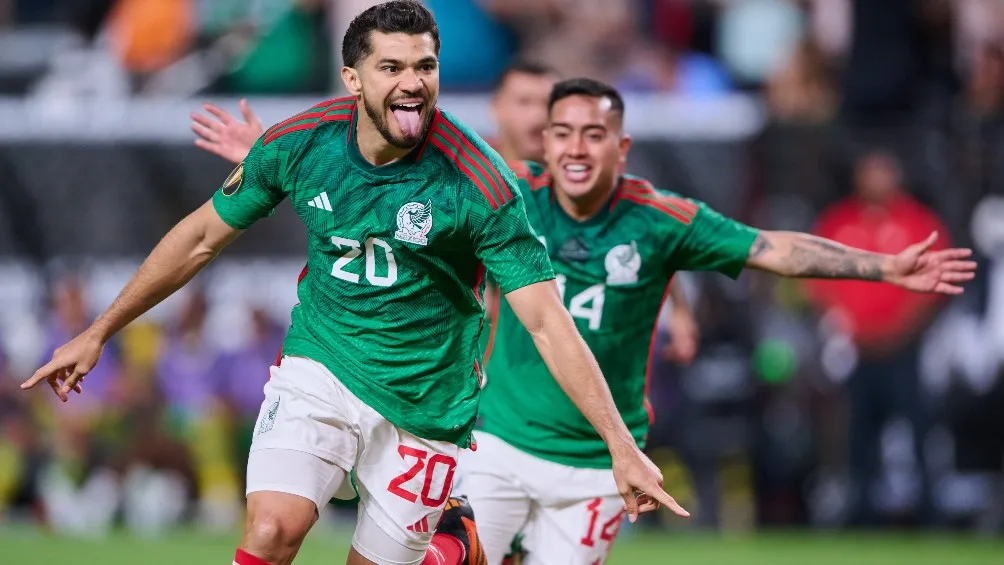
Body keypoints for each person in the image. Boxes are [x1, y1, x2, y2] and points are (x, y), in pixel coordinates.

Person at [22, 3, 684, 565]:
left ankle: (457, 531)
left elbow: (545, 320)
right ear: (352, 77)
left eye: (425, 66)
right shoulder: (301, 143)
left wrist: (620, 446)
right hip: (322, 367)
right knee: (271, 530)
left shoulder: (480, 184)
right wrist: (98, 331)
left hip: (425, 404)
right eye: (392, 67)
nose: (413, 83)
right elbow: (199, 237)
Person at [461, 79, 976, 564]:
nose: (576, 149)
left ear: (621, 148)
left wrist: (883, 267)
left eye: (594, 135)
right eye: (563, 134)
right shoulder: (512, 197)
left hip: (600, 461)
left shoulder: (660, 219)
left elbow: (772, 249)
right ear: (546, 143)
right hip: (501, 443)